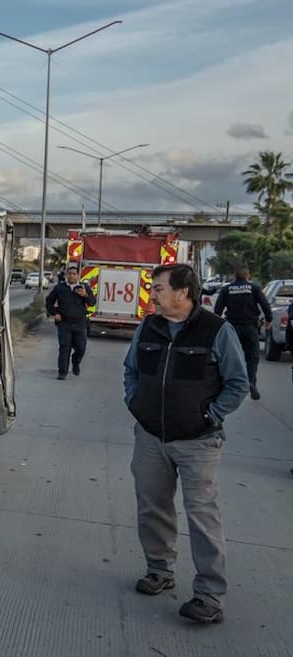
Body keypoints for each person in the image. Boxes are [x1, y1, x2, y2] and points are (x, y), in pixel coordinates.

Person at [123, 263, 249, 624]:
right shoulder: (149, 325)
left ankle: (209, 595)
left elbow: (237, 383)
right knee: (152, 507)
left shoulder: (216, 330)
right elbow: (131, 369)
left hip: (198, 442)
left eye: (159, 288)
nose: (153, 295)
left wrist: (210, 416)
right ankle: (159, 571)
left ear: (183, 292)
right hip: (150, 436)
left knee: (202, 516)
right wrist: (135, 403)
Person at [213, 264, 272, 400]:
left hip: (232, 328)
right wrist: (269, 319)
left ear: (235, 276)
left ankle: (230, 384)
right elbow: (265, 305)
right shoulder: (254, 288)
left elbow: (218, 310)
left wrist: (216, 326)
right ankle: (251, 382)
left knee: (231, 356)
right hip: (250, 327)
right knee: (252, 356)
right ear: (247, 275)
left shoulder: (226, 289)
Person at [45, 264, 95, 380]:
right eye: (69, 274)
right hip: (64, 323)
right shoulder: (60, 288)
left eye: (74, 274)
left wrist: (85, 295)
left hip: (80, 323)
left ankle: (75, 362)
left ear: (78, 276)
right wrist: (54, 313)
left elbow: (92, 302)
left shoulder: (84, 288)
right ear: (66, 275)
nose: (71, 276)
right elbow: (49, 302)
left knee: (81, 348)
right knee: (64, 347)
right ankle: (62, 372)